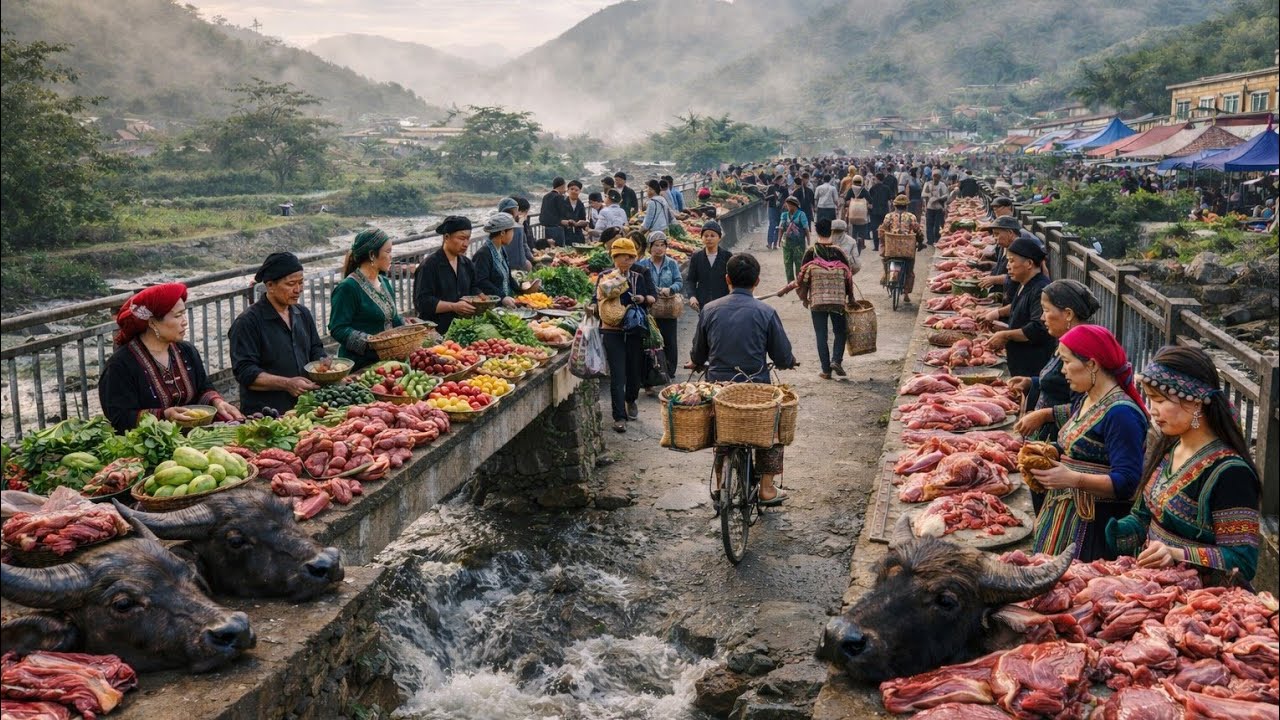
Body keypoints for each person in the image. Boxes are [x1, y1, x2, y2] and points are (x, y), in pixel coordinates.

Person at [1106, 346, 1262, 585]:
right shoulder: (1170, 447)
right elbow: (1144, 516)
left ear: (1196, 401)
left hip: (1200, 603)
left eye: (1159, 400)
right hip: (1154, 586)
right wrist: (1118, 530)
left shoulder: (1231, 473)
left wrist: (1176, 554)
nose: (1152, 409)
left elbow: (1243, 562)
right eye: (1149, 399)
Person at [1028, 325, 1149, 561]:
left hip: (1095, 528)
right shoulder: (1087, 398)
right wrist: (1050, 451)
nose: (1063, 371)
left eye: (1066, 362)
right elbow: (1075, 446)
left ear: (1092, 364)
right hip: (1064, 516)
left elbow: (1127, 482)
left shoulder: (1121, 414)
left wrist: (1074, 479)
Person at [690, 254, 797, 505]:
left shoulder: (709, 309)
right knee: (773, 433)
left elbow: (698, 354)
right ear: (757, 281)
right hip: (756, 387)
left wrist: (696, 362)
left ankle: (721, 485)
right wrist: (789, 362)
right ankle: (767, 488)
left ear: (727, 279)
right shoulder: (766, 312)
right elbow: (781, 355)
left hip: (718, 387)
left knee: (722, 437)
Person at [100, 282, 243, 433]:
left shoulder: (187, 351)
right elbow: (119, 417)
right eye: (177, 315)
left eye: (183, 313)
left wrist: (217, 402)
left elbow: (203, 388)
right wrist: (164, 416)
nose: (184, 322)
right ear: (152, 322)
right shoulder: (120, 366)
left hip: (197, 438)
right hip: (151, 446)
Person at [229, 252, 328, 415]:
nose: (298, 290)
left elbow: (315, 348)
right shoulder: (247, 323)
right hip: (266, 413)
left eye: (301, 283)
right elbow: (245, 372)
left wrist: (325, 366)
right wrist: (287, 383)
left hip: (304, 407)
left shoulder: (302, 313)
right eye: (290, 284)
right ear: (270, 286)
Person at [595, 238, 656, 433]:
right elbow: (594, 299)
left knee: (633, 371)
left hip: (634, 329)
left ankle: (631, 399)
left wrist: (643, 298)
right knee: (617, 374)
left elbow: (652, 297)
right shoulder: (604, 277)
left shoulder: (640, 275)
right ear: (614, 257)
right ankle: (619, 416)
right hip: (611, 330)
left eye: (630, 257)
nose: (627, 261)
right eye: (623, 256)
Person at [330, 228, 410, 370]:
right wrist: (370, 342)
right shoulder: (348, 287)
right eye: (388, 251)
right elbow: (338, 328)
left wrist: (408, 331)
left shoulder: (384, 282)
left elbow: (393, 318)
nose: (391, 256)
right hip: (361, 365)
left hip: (389, 362)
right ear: (372, 255)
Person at [786, 218, 854, 379]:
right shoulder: (839, 252)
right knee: (840, 331)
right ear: (830, 231)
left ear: (817, 232)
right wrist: (851, 297)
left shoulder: (811, 251)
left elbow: (802, 277)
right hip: (837, 301)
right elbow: (849, 277)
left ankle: (826, 370)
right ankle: (836, 359)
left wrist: (804, 297)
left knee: (821, 334)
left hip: (817, 300)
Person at [983, 237, 1055, 379]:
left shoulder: (1040, 289)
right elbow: (1019, 309)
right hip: (1019, 363)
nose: (1007, 266)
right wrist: (1000, 322)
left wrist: (1006, 335)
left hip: (1032, 367)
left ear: (1029, 263)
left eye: (1012, 261)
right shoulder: (1024, 283)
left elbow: (1038, 328)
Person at [413, 216, 478, 333]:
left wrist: (482, 299)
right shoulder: (429, 265)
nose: (466, 243)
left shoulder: (467, 264)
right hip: (436, 331)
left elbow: (474, 288)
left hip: (462, 329)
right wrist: (454, 306)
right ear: (446, 237)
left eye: (468, 239)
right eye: (462, 238)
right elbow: (422, 302)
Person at [636, 231, 683, 387]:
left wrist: (670, 289)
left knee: (669, 340)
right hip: (650, 309)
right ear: (650, 247)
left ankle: (669, 371)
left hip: (668, 308)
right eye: (656, 245)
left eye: (662, 245)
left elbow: (679, 282)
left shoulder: (671, 263)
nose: (659, 249)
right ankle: (650, 374)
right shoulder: (643, 264)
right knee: (650, 341)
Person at [877, 194, 923, 304]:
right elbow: (918, 230)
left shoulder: (888, 216)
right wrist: (921, 241)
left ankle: (887, 276)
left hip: (892, 249)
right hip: (907, 250)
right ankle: (906, 294)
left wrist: (883, 241)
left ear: (895, 206)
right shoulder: (911, 217)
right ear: (906, 206)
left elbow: (882, 230)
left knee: (886, 261)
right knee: (909, 270)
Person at [472, 213, 521, 308]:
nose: (513, 234)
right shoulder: (483, 254)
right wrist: (502, 298)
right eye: (512, 231)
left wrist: (521, 290)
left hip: (505, 303)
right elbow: (481, 282)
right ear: (502, 233)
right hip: (492, 306)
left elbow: (508, 276)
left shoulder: (501, 249)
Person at [686, 220, 732, 313]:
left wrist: (732, 295)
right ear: (702, 238)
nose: (709, 238)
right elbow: (691, 280)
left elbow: (732, 279)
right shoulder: (697, 257)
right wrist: (692, 296)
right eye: (706, 236)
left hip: (723, 302)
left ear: (719, 238)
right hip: (703, 303)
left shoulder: (727, 256)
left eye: (712, 235)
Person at [778, 196, 810, 283]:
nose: (786, 207)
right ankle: (790, 282)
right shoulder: (784, 215)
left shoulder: (801, 215)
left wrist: (808, 240)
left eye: (788, 205)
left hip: (799, 244)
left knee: (799, 263)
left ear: (793, 205)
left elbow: (806, 228)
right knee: (787, 262)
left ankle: (799, 281)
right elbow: (781, 228)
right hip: (787, 243)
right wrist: (779, 240)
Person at [499, 197, 534, 272]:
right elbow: (518, 245)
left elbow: (523, 244)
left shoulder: (518, 225)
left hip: (516, 266)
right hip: (510, 267)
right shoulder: (504, 227)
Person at [843, 175, 872, 253]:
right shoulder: (864, 190)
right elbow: (870, 201)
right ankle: (861, 242)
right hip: (862, 214)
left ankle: (853, 242)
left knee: (853, 229)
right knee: (862, 229)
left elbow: (846, 201)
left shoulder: (850, 190)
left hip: (852, 214)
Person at [867, 173, 893, 252]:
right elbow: (890, 199)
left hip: (874, 211)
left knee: (875, 228)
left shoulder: (873, 188)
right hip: (884, 211)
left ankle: (876, 246)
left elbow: (869, 200)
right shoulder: (887, 188)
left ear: (877, 179)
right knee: (885, 228)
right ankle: (885, 245)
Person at [539, 177, 567, 248]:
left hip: (547, 228)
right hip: (557, 228)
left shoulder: (546, 196)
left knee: (550, 248)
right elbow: (563, 213)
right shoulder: (559, 197)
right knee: (559, 250)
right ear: (562, 186)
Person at [923, 172, 948, 246]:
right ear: (932, 176)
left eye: (937, 177)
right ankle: (930, 240)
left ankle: (936, 239)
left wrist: (939, 199)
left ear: (940, 178)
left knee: (937, 225)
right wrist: (927, 203)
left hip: (938, 207)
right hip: (930, 207)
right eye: (934, 176)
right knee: (929, 224)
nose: (936, 178)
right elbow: (924, 194)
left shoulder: (942, 185)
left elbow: (946, 195)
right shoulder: (928, 184)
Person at [764, 174, 789, 250]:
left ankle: (775, 244)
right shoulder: (771, 188)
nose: (781, 182)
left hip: (780, 209)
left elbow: (787, 199)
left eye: (782, 180)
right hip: (772, 208)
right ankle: (769, 243)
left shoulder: (784, 189)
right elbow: (766, 198)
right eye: (780, 180)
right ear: (776, 180)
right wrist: (771, 197)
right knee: (772, 225)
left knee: (778, 226)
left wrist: (785, 205)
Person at [562, 180, 589, 245]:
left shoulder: (580, 204)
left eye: (576, 190)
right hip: (565, 235)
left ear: (580, 191)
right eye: (572, 189)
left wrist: (581, 224)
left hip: (578, 236)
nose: (574, 191)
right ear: (567, 190)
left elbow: (583, 219)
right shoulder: (562, 203)